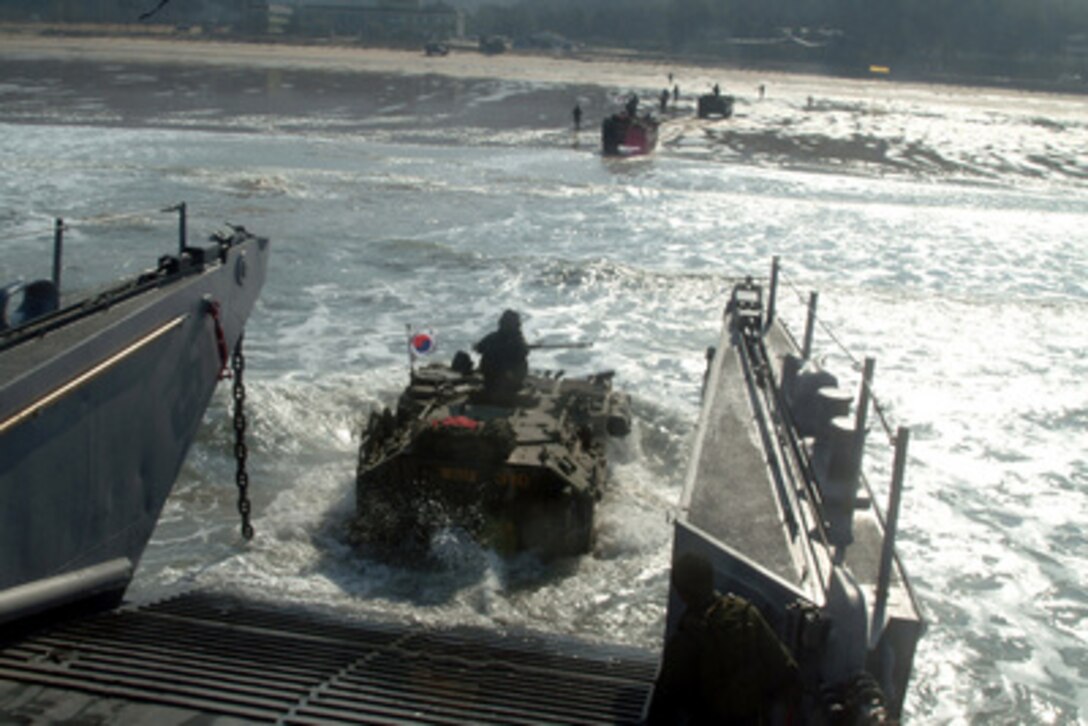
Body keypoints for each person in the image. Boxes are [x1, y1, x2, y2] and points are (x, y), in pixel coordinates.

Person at [650, 552, 800, 725]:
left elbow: (663, 706)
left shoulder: (684, 642)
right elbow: (786, 670)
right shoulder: (746, 614)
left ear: (681, 592)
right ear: (711, 580)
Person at [474, 309, 529, 399]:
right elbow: (525, 352)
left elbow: (479, 348)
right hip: (511, 382)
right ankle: (515, 385)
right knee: (521, 361)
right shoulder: (518, 341)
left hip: (490, 382)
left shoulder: (491, 337)